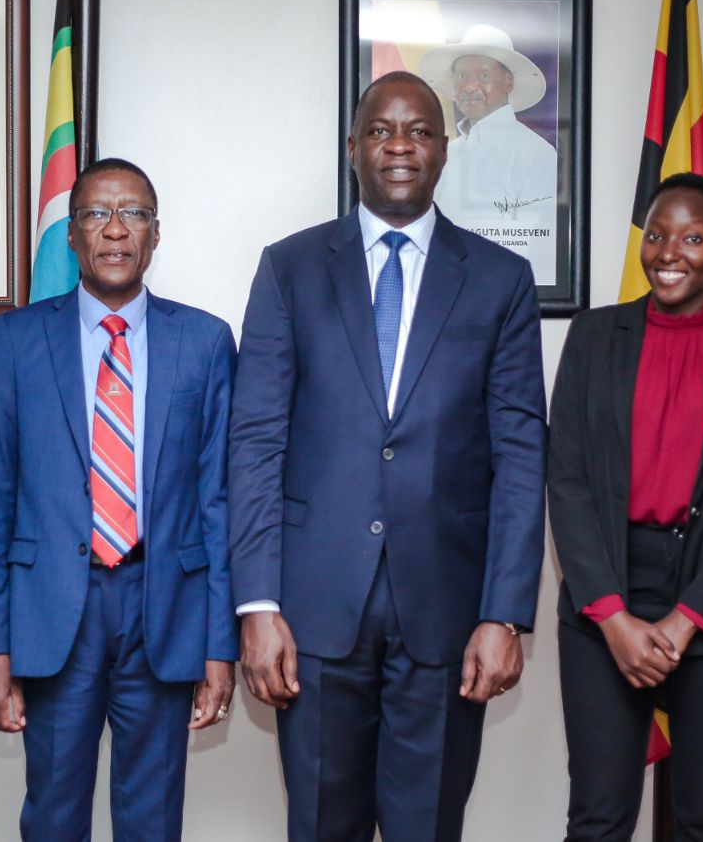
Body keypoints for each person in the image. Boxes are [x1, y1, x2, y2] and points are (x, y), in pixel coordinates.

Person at [230, 71, 547, 841]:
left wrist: (505, 611)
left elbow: (519, 453)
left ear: (444, 149)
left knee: (427, 827)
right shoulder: (291, 268)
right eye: (380, 129)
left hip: (446, 611)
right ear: (353, 148)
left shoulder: (501, 281)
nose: (399, 144)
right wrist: (258, 605)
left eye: (418, 130)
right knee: (320, 827)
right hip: (313, 612)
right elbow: (256, 440)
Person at [0, 158, 238, 841]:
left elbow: (218, 500)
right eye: (96, 213)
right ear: (71, 234)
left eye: (134, 214)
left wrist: (219, 645)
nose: (116, 230)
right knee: (54, 817)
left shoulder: (205, 343)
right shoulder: (16, 340)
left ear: (155, 234)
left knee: (152, 820)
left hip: (164, 608)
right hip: (56, 608)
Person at [548, 173, 703, 841]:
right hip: (608, 593)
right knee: (598, 818)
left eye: (693, 238)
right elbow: (567, 481)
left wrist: (688, 622)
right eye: (657, 235)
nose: (670, 252)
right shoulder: (593, 336)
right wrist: (610, 617)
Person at [420, 24, 557, 223]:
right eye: (462, 76)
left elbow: (536, 240)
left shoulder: (535, 153)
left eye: (483, 76)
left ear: (508, 82)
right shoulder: (446, 155)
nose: (469, 86)